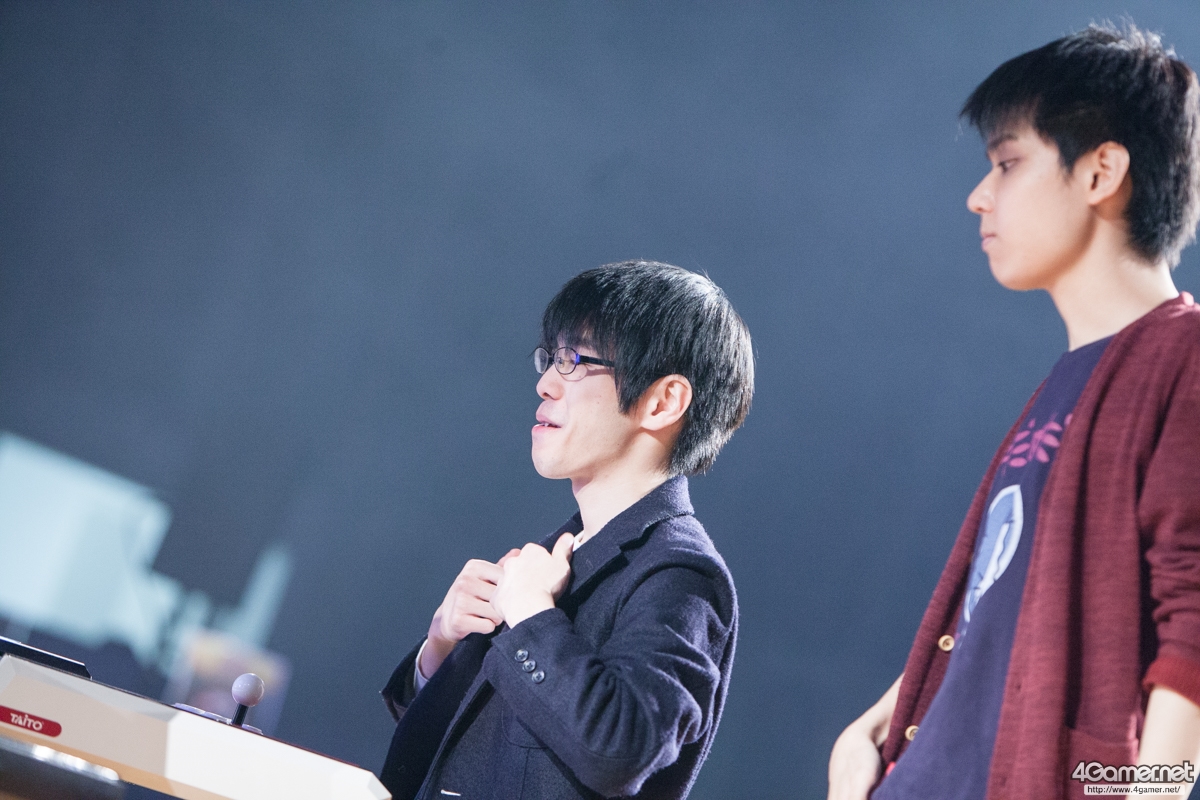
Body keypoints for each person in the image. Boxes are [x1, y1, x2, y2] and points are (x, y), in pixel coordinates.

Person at [828, 23, 1200, 800]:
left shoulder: (1181, 357)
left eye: (1007, 164)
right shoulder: (1069, 379)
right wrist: (872, 728)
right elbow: (995, 612)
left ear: (1100, 171)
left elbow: (1192, 634)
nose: (978, 195)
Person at [379, 261, 753, 800]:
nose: (546, 383)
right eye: (552, 358)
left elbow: (618, 751)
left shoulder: (680, 574)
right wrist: (440, 649)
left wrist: (531, 615)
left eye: (575, 361)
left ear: (662, 401)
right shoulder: (560, 553)